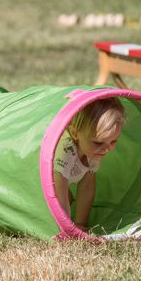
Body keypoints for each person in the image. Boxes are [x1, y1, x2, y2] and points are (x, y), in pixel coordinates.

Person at [53, 98, 125, 232]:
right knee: (62, 198)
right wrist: (67, 228)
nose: (107, 148)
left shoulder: (93, 150)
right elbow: (59, 192)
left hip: (63, 179)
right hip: (38, 181)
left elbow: (86, 187)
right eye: (98, 143)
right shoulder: (66, 149)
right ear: (75, 133)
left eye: (113, 141)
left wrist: (81, 223)